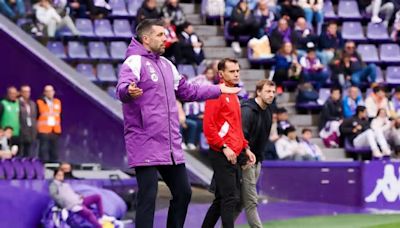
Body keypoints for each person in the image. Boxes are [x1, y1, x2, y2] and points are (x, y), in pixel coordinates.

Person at [116, 19, 240, 228]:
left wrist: (218, 89)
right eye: (161, 35)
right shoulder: (134, 62)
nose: (166, 39)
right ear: (146, 39)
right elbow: (122, 88)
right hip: (144, 141)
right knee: (148, 196)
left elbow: (188, 91)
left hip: (169, 142)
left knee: (183, 192)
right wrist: (128, 91)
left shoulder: (167, 65)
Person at [202, 58, 256, 228]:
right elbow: (208, 127)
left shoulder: (233, 94)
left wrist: (245, 147)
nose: (236, 74)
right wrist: (224, 147)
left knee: (221, 199)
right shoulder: (216, 94)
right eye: (232, 71)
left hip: (234, 151)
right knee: (230, 198)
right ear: (221, 74)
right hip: (222, 152)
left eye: (238, 71)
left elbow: (235, 126)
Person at [238, 79, 276, 228]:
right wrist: (245, 156)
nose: (271, 95)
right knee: (252, 200)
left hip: (257, 160)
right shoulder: (248, 110)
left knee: (242, 202)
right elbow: (241, 135)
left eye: (273, 92)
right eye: (268, 91)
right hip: (246, 160)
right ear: (258, 92)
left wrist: (259, 159)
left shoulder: (268, 110)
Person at [37, 85, 62, 163]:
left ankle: (54, 166)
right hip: (44, 130)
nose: (49, 93)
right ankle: (43, 165)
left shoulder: (57, 102)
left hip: (55, 130)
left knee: (54, 150)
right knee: (43, 149)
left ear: (54, 92)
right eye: (47, 91)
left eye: (51, 91)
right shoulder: (40, 102)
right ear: (44, 93)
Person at [19, 85, 37, 158]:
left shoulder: (32, 104)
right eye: (25, 92)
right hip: (21, 130)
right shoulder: (17, 103)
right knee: (21, 151)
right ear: (21, 92)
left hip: (31, 131)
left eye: (28, 92)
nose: (27, 93)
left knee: (29, 152)